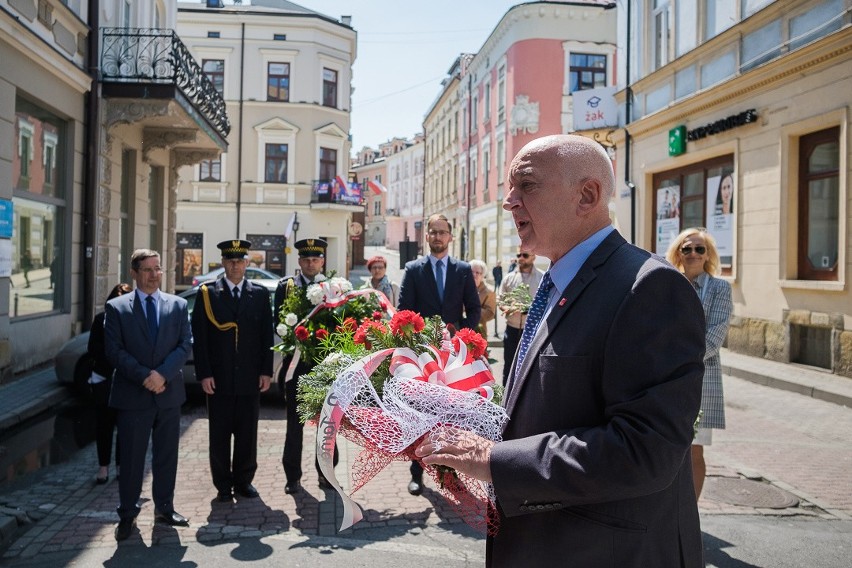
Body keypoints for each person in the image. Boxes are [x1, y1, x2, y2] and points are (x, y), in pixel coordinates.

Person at [416, 135, 706, 567]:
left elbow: (646, 450)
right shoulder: (559, 279)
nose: (509, 202)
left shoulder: (649, 286)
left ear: (587, 195)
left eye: (526, 185)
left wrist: (493, 459)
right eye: (510, 190)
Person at [104, 249, 192, 541]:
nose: (154, 275)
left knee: (167, 456)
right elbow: (114, 351)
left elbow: (184, 345)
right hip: (133, 396)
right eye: (148, 270)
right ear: (134, 273)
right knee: (131, 459)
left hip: (168, 395)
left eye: (158, 269)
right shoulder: (117, 308)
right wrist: (145, 376)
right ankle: (127, 514)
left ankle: (165, 508)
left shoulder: (178, 305)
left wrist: (162, 375)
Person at [398, 213, 481, 496]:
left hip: (453, 358)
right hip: (422, 356)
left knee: (453, 416)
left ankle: (452, 475)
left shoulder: (462, 269)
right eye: (432, 232)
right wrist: (416, 341)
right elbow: (403, 311)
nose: (437, 236)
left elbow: (474, 307)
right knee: (421, 416)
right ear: (427, 236)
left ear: (450, 235)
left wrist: (462, 338)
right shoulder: (413, 269)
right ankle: (416, 474)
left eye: (442, 232)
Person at [191, 239, 274, 503]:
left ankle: (243, 481)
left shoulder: (259, 294)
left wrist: (266, 372)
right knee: (219, 434)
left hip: (250, 378)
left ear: (247, 263)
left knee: (247, 433)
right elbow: (200, 338)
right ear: (223, 263)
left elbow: (265, 338)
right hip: (219, 378)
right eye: (230, 260)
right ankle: (223, 485)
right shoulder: (208, 294)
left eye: (240, 260)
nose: (235, 265)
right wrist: (204, 373)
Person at [666, 228, 733, 500]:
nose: (693, 253)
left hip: (700, 378)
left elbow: (715, 336)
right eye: (687, 248)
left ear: (708, 255)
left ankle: (690, 514)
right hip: (665, 379)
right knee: (669, 445)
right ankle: (669, 512)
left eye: (700, 249)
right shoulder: (667, 284)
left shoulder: (719, 288)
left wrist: (676, 360)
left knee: (694, 449)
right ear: (678, 253)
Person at [273, 237, 338, 494]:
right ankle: (293, 477)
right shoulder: (286, 287)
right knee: (294, 422)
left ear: (322, 261)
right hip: (295, 365)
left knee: (328, 422)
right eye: (306, 259)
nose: (311, 264)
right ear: (299, 261)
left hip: (324, 365)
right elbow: (277, 321)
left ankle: (326, 474)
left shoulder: (333, 287)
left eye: (315, 259)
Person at [88, 282, 132, 485]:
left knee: (124, 426)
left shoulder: (133, 320)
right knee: (104, 426)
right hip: (104, 378)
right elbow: (93, 348)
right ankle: (103, 467)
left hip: (125, 380)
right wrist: (112, 359)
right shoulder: (100, 320)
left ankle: (121, 467)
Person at [498, 247, 545, 385]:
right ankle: (505, 401)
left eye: (525, 255)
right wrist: (511, 308)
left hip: (533, 331)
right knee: (509, 366)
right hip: (512, 329)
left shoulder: (542, 278)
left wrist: (531, 309)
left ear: (533, 257)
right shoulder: (508, 279)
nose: (521, 258)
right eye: (519, 255)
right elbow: (501, 301)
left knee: (532, 368)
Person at [469, 259, 496, 339]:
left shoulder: (489, 291)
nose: (474, 275)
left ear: (482, 275)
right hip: (460, 331)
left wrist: (472, 309)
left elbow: (490, 314)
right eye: (471, 272)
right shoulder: (460, 288)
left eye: (477, 272)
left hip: (479, 333)